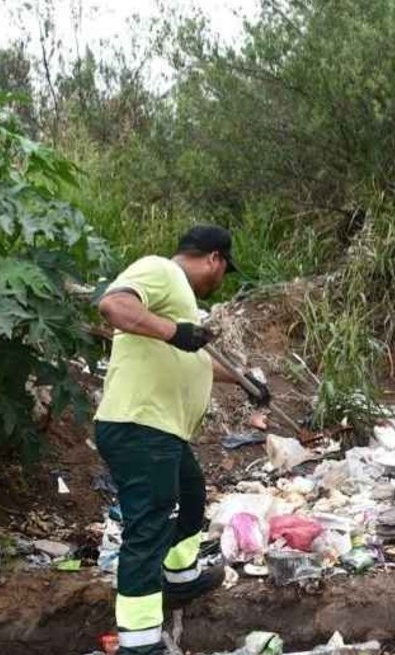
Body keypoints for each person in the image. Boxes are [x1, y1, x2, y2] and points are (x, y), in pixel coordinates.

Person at [93, 225, 270, 654]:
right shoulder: (159, 270)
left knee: (191, 498)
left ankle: (181, 578)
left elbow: (199, 360)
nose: (220, 280)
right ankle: (139, 642)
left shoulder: (181, 304)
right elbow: (113, 306)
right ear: (214, 259)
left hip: (162, 433)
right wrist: (177, 332)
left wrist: (247, 384)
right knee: (149, 525)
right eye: (224, 271)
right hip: (139, 427)